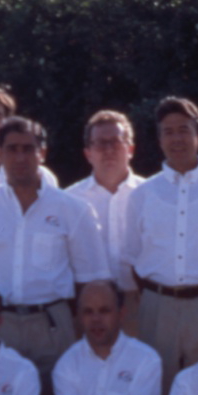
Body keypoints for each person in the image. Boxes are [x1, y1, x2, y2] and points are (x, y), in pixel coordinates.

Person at [0, 116, 113, 376]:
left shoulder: (74, 210)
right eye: (12, 149)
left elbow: (92, 282)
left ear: (42, 153)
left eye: (28, 149)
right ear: (0, 153)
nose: (20, 157)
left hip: (53, 326)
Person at [120, 97, 198, 395]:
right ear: (159, 139)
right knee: (157, 392)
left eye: (184, 130)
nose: (176, 138)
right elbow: (133, 260)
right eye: (168, 131)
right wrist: (161, 293)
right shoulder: (143, 195)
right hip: (157, 307)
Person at [66, 110, 142, 302]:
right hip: (88, 305)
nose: (108, 150)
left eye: (116, 141)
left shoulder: (149, 195)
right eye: (100, 143)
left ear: (130, 149)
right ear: (88, 153)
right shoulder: (69, 201)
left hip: (140, 302)